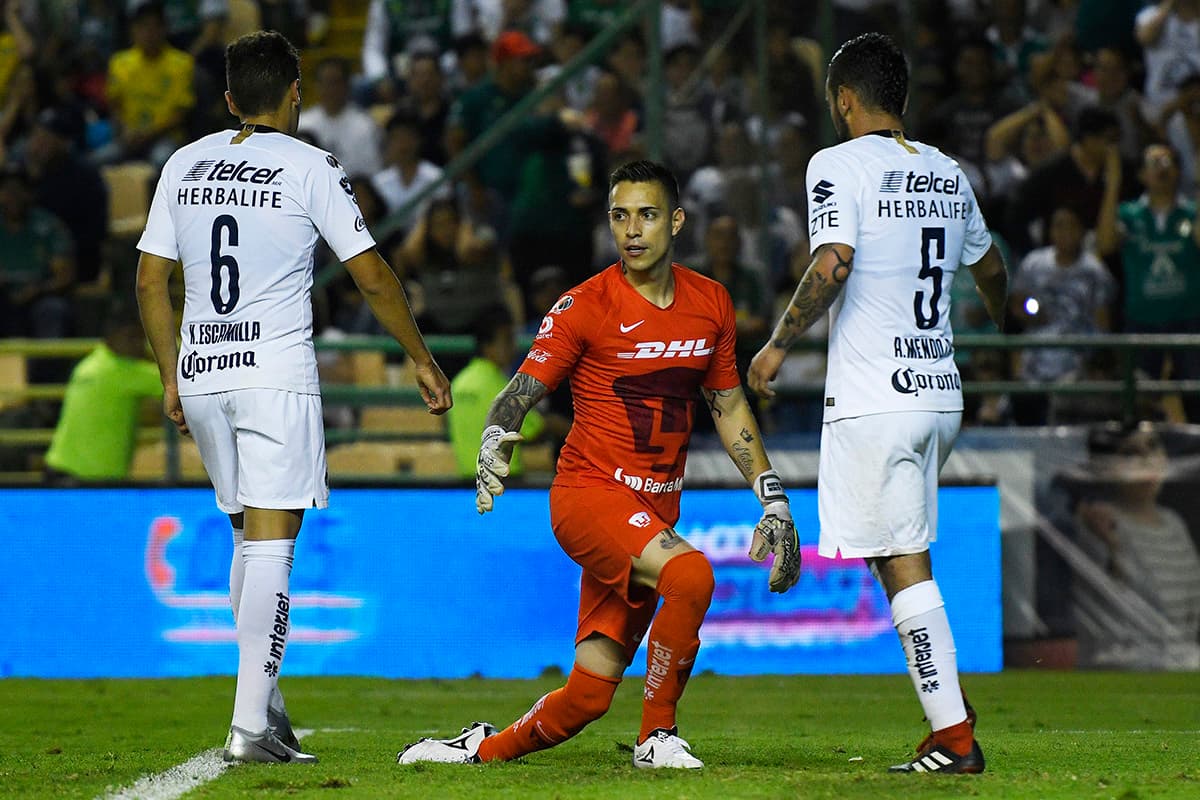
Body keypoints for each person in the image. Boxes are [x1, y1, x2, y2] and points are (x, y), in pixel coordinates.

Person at [397, 159, 801, 769]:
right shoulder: (585, 304)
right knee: (691, 577)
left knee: (587, 696)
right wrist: (496, 437)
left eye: (647, 214)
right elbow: (522, 388)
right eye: (619, 216)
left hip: (653, 508)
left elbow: (726, 403)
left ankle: (479, 750)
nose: (632, 230)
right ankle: (655, 737)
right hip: (589, 497)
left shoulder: (712, 302)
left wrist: (772, 497)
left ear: (677, 221)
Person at [135, 30, 452, 764]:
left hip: (205, 373)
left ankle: (264, 706)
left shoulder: (182, 163)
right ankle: (249, 727)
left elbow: (151, 281)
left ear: (227, 100)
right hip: (274, 374)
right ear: (295, 95)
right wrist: (421, 359)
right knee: (275, 543)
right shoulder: (313, 166)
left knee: (250, 537)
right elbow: (371, 273)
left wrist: (170, 374)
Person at [747, 33, 1008, 774]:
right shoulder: (949, 173)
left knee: (902, 560)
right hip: (939, 394)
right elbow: (991, 268)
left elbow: (833, 261)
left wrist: (775, 345)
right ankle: (947, 711)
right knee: (893, 559)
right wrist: (1001, 318)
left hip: (876, 396)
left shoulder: (836, 163)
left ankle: (954, 734)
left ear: (845, 101)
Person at [446, 304, 568, 478]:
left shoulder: (459, 383)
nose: (514, 347)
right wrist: (572, 431)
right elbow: (533, 429)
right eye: (507, 339)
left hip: (468, 481)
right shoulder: (499, 385)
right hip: (505, 482)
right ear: (487, 345)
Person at [43, 313, 162, 481]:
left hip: (59, 466)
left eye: (142, 338)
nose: (139, 344)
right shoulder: (125, 372)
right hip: (91, 479)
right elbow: (180, 382)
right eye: (131, 337)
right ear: (112, 337)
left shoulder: (89, 363)